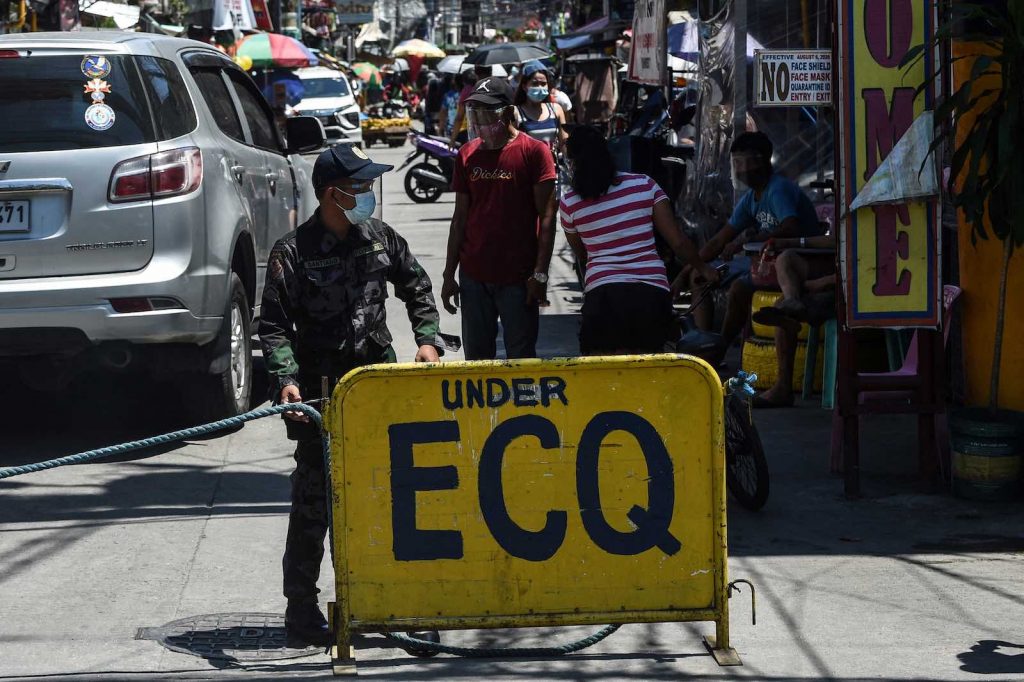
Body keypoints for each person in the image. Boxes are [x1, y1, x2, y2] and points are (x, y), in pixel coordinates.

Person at [259, 144, 450, 647]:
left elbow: (417, 286)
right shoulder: (292, 252)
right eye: (359, 187)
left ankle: (396, 605)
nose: (368, 194)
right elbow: (274, 326)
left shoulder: (380, 237)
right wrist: (285, 378)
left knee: (389, 502)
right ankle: (301, 612)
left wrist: (428, 340)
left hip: (377, 394)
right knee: (314, 506)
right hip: (319, 399)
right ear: (332, 195)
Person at [560, 127, 719, 354]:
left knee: (601, 368)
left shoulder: (569, 203)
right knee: (650, 363)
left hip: (602, 300)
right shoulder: (645, 185)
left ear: (572, 162)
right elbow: (678, 242)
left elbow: (583, 255)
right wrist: (703, 268)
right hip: (651, 296)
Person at [671, 131, 823, 362]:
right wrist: (686, 272)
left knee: (738, 289)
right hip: (764, 264)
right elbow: (718, 241)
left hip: (795, 264)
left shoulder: (778, 189)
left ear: (761, 161)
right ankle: (703, 348)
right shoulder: (751, 198)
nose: (739, 170)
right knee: (699, 277)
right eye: (736, 163)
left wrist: (745, 242)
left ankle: (717, 350)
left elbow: (791, 226)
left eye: (743, 162)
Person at [441, 77, 558, 360]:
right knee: (477, 360)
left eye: (486, 112)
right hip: (474, 276)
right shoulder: (467, 154)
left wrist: (540, 273)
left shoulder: (534, 152)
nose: (479, 120)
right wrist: (448, 274)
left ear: (506, 112)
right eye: (476, 112)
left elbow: (547, 217)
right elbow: (459, 219)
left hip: (518, 279)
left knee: (521, 358)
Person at [749, 235, 837, 407]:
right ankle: (791, 301)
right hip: (830, 274)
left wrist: (823, 282)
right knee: (786, 257)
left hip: (848, 291)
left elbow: (864, 265)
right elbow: (836, 240)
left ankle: (783, 388)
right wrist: (789, 242)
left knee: (782, 310)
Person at [513, 60, 568, 149]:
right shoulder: (516, 113)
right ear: (524, 87)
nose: (540, 87)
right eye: (535, 84)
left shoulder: (556, 110)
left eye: (543, 84)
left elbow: (564, 143)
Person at [447, 69, 477, 145]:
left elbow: (459, 117)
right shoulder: (484, 87)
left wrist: (453, 139)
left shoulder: (466, 90)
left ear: (463, 82)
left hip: (470, 131)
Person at [423, 70, 443, 136]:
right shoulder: (439, 94)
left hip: (430, 113)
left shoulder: (428, 93)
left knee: (428, 129)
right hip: (437, 113)